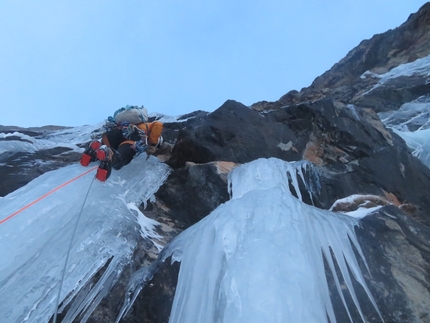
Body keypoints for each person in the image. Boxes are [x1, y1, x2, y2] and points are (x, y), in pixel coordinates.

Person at [80, 119, 164, 181]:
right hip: (130, 137)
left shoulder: (128, 123)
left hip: (112, 135)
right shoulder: (146, 128)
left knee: (103, 153)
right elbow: (158, 124)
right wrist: (153, 143)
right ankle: (108, 155)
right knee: (121, 159)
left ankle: (93, 152)